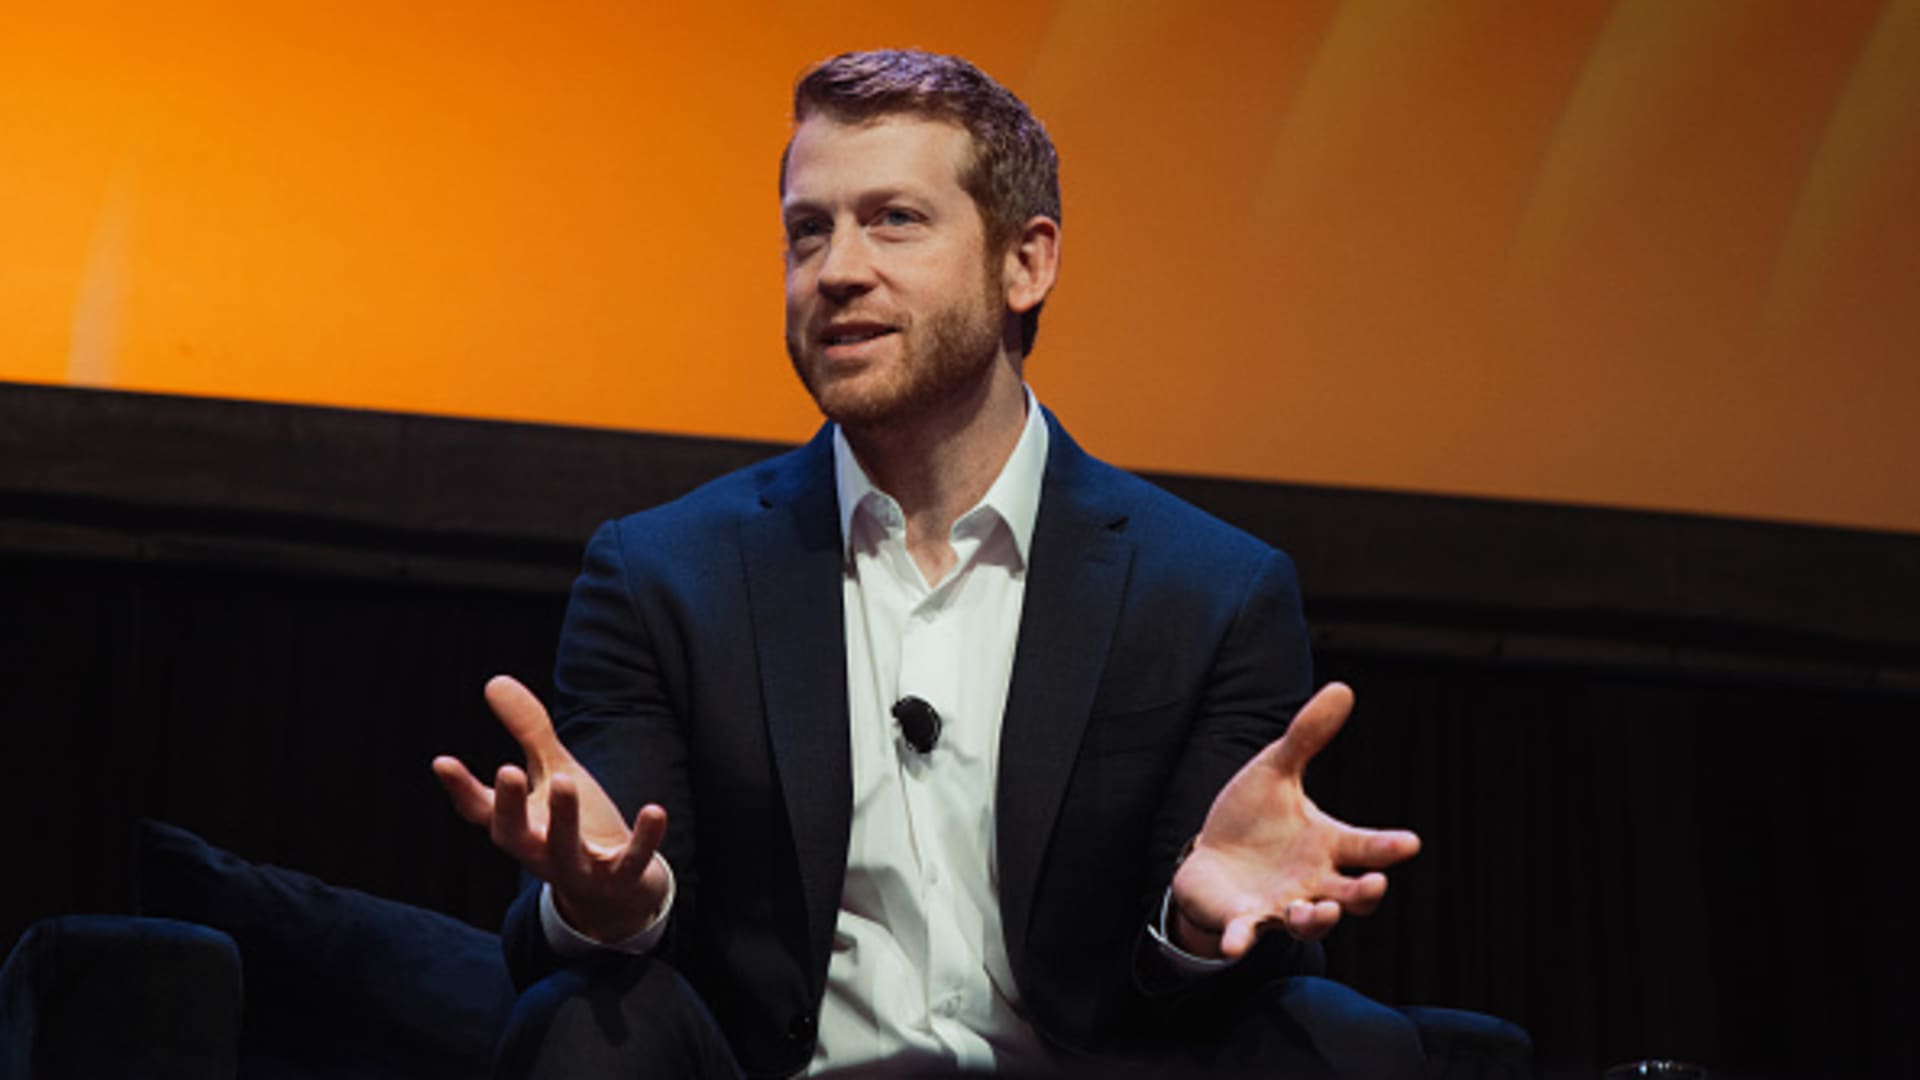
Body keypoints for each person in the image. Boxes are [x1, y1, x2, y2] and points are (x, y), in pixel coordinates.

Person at [433, 48, 1423, 1078]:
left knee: (1344, 1042)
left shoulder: (1209, 593)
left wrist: (1192, 924)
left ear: (1025, 263)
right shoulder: (664, 577)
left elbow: (1219, 969)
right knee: (586, 1022)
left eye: (894, 220)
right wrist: (611, 907)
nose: (837, 270)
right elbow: (598, 896)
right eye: (808, 230)